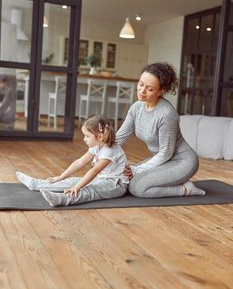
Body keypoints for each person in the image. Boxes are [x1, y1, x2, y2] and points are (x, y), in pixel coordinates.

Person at [116, 62, 206, 198]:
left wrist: (137, 169)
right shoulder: (137, 107)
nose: (142, 91)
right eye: (141, 84)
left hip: (182, 162)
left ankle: (185, 189)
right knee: (125, 178)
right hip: (163, 161)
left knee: (137, 188)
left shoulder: (167, 114)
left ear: (161, 91)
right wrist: (98, 153)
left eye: (150, 89)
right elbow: (120, 137)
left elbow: (166, 153)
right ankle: (170, 181)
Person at [16, 114, 129, 206]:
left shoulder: (110, 151)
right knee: (73, 181)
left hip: (115, 185)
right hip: (100, 179)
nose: (84, 139)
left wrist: (77, 187)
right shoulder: (96, 146)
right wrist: (61, 177)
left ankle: (62, 199)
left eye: (87, 136)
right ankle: (36, 184)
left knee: (89, 189)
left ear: (99, 137)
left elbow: (94, 171)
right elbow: (80, 162)